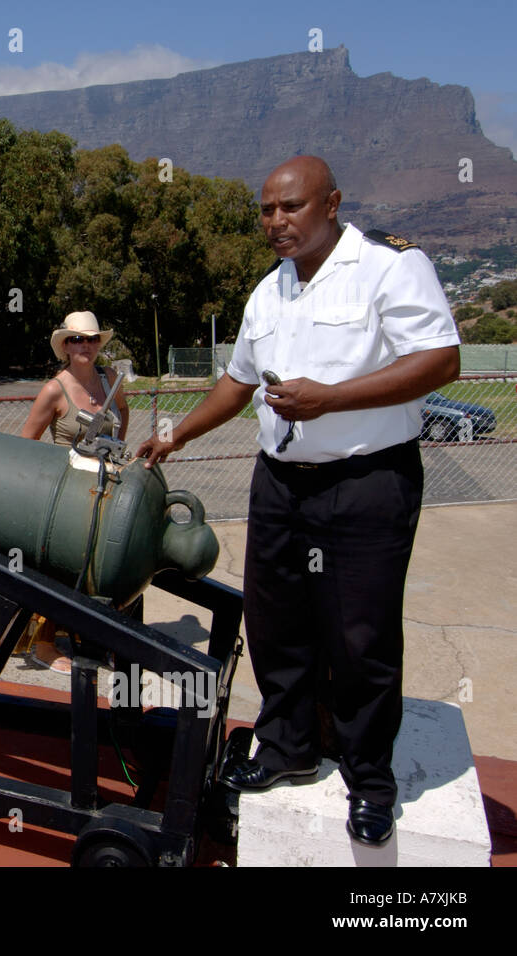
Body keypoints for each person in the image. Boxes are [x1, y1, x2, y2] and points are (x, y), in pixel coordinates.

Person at [136, 156, 460, 847]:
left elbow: (439, 359)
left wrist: (331, 398)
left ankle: (370, 780)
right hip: (282, 482)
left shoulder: (390, 267)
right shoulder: (269, 292)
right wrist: (175, 434)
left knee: (361, 635)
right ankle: (287, 749)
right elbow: (238, 383)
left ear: (332, 203)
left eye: (291, 208)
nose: (276, 222)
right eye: (266, 210)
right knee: (278, 624)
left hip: (366, 481)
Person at [18, 310, 130, 672]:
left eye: (92, 339)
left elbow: (123, 412)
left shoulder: (110, 378)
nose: (86, 345)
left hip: (105, 489)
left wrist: (117, 447)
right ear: (65, 346)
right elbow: (27, 442)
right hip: (67, 494)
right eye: (77, 339)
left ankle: (95, 635)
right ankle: (45, 643)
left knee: (105, 566)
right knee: (64, 568)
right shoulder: (55, 389)